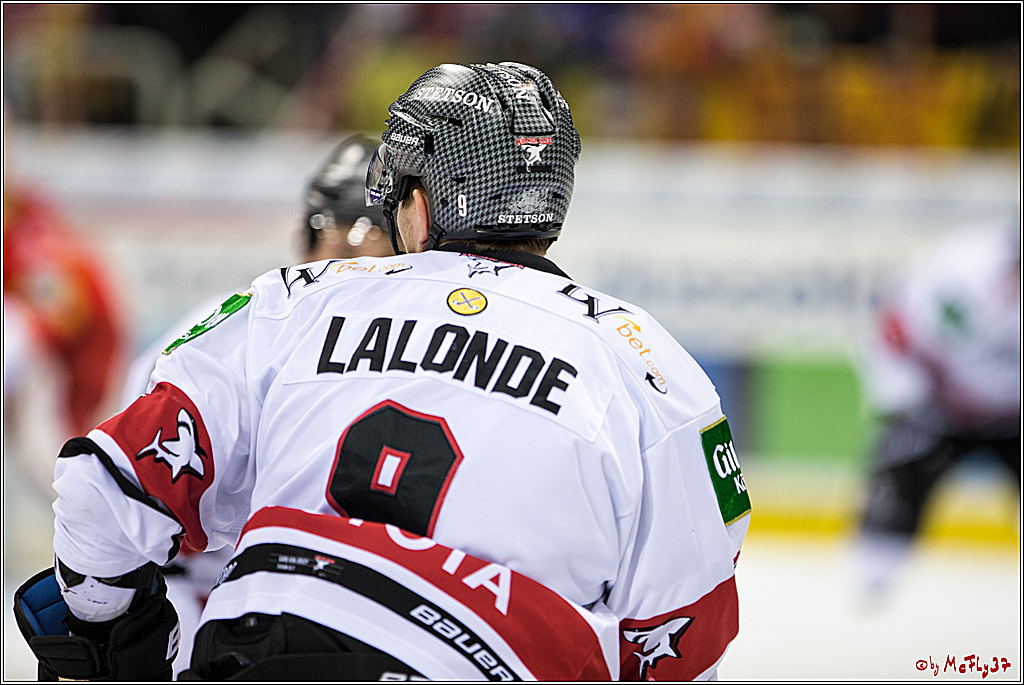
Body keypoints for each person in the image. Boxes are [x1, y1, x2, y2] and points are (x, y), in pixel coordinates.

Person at [15, 62, 750, 681]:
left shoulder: (288, 300)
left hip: (264, 642)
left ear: (421, 206)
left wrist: (113, 631)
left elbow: (100, 488)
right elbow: (687, 633)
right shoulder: (650, 364)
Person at [114, 134, 392, 678]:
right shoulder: (231, 338)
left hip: (337, 610)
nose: (345, 261)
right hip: (207, 603)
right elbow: (120, 493)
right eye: (331, 237)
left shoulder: (412, 349)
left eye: (363, 241)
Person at [855, 215, 1021, 601]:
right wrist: (901, 402)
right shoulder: (955, 275)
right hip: (940, 406)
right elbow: (893, 331)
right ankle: (875, 573)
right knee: (900, 467)